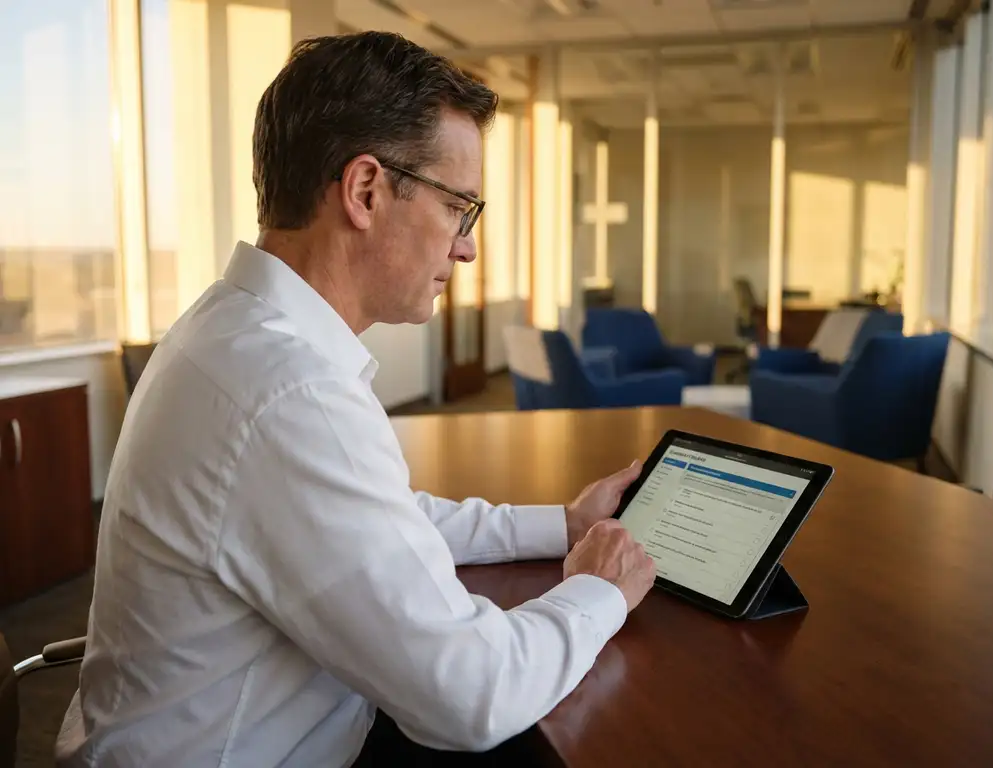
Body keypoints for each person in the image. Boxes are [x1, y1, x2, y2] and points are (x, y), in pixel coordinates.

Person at [56, 31, 656, 767]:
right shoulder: (286, 391)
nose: (466, 247)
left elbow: (381, 521)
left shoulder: (231, 330)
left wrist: (563, 524)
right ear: (366, 191)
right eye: (459, 206)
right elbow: (471, 696)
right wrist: (599, 593)